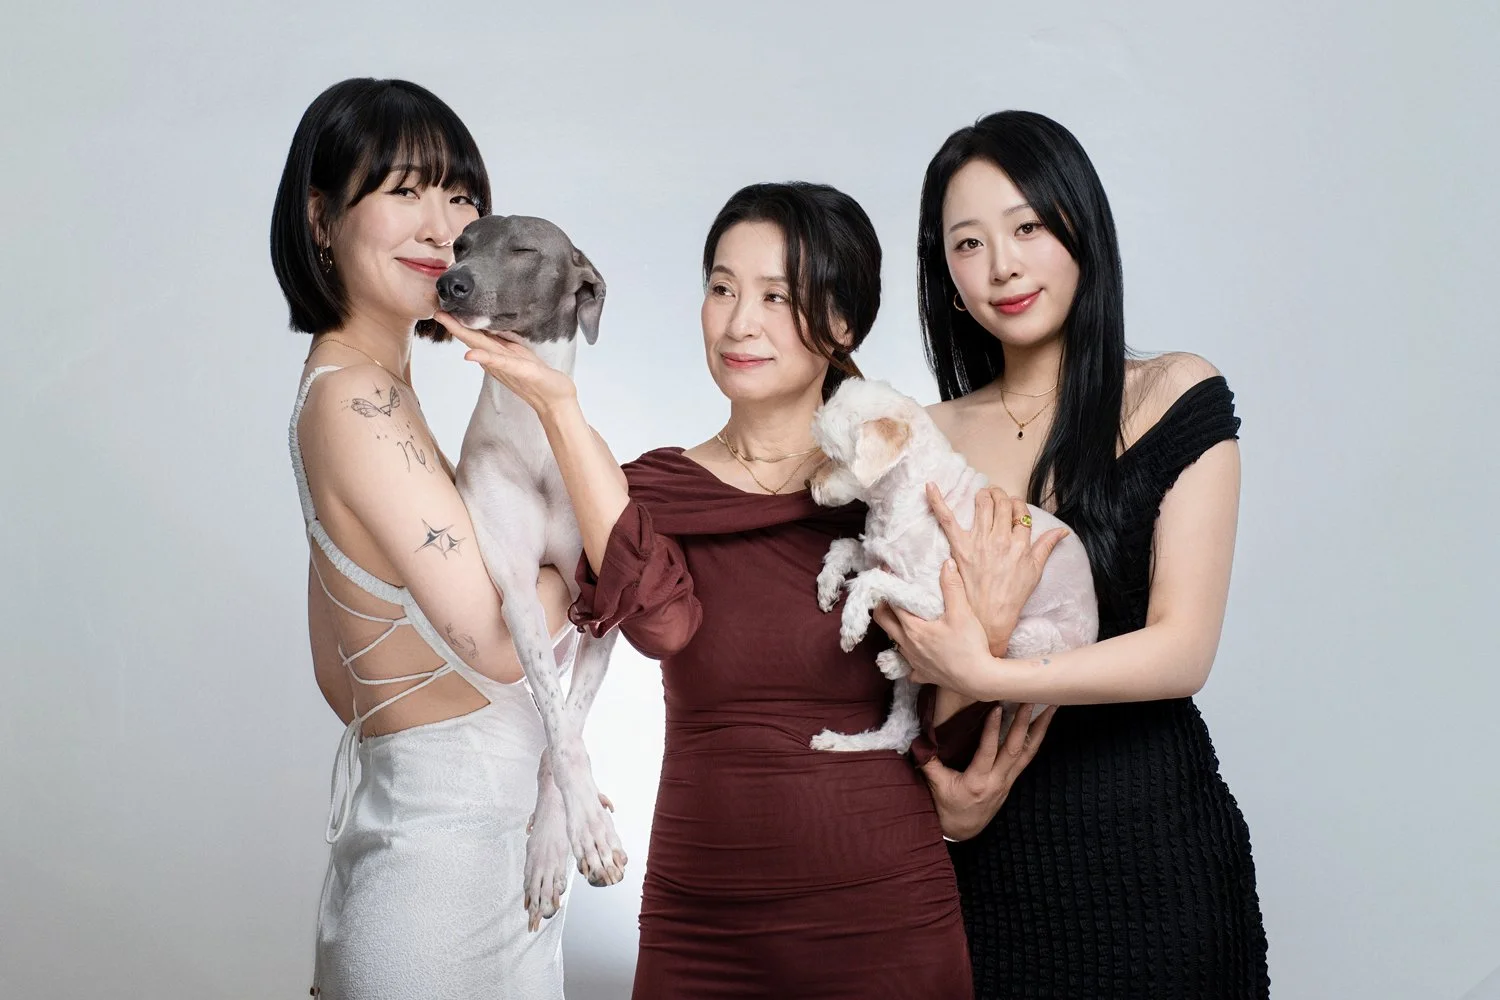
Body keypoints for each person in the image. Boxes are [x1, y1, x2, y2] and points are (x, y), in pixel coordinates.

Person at [443, 181, 1015, 999]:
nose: (739, 322)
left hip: (882, 916)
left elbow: (950, 713)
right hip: (700, 922)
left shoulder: (897, 490)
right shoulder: (643, 490)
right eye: (722, 288)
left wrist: (970, 751)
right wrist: (560, 410)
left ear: (843, 323)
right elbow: (661, 625)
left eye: (777, 297)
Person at [876, 110, 1270, 998]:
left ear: (1081, 227)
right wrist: (938, 795)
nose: (1002, 266)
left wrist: (992, 671)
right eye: (968, 244)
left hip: (1160, 862)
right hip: (989, 877)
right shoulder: (922, 440)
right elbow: (900, 675)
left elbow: (1182, 649)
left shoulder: (1173, 392)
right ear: (945, 277)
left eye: (1027, 228)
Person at [270, 77, 574, 999]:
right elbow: (495, 640)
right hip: (439, 896)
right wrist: (586, 560)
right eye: (404, 191)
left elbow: (340, 677)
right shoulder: (357, 402)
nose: (442, 229)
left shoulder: (371, 391)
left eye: (461, 195)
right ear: (321, 219)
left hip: (454, 866)